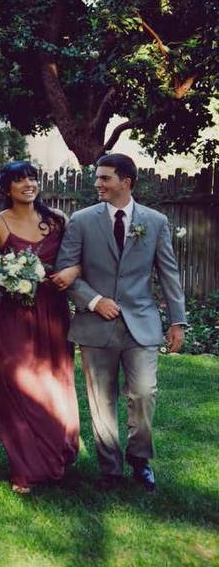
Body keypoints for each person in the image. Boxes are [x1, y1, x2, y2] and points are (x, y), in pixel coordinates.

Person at [55, 153, 186, 491]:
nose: (97, 183)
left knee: (143, 392)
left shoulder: (154, 221)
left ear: (126, 181)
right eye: (97, 178)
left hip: (141, 323)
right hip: (94, 324)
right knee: (102, 400)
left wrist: (178, 322)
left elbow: (168, 274)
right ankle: (110, 468)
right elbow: (66, 271)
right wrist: (95, 302)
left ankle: (140, 459)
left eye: (104, 178)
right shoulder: (81, 221)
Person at [0, 161, 80, 494]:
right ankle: (24, 465)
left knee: (54, 382)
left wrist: (72, 273)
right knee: (19, 386)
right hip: (15, 315)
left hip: (53, 310)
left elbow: (78, 260)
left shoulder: (57, 221)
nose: (28, 185)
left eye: (32, 178)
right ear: (7, 188)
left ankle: (53, 455)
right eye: (19, 180)